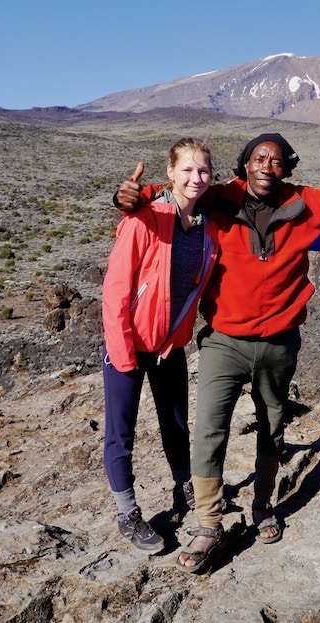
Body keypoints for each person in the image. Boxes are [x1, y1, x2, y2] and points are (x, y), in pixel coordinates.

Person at [114, 133, 320, 571]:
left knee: (273, 426)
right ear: (244, 163)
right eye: (258, 158)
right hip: (224, 340)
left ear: (287, 168)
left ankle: (262, 506)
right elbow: (175, 190)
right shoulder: (219, 198)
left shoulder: (308, 203)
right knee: (208, 430)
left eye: (277, 161)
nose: (266, 166)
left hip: (279, 342)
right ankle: (208, 524)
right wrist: (131, 194)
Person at [102, 137, 219, 552]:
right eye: (186, 170)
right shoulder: (145, 218)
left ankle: (185, 485)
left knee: (175, 425)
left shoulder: (209, 227)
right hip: (129, 346)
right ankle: (127, 511)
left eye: (203, 170)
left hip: (169, 347)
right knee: (121, 432)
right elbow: (116, 290)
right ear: (170, 173)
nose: (195, 178)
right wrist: (121, 351)